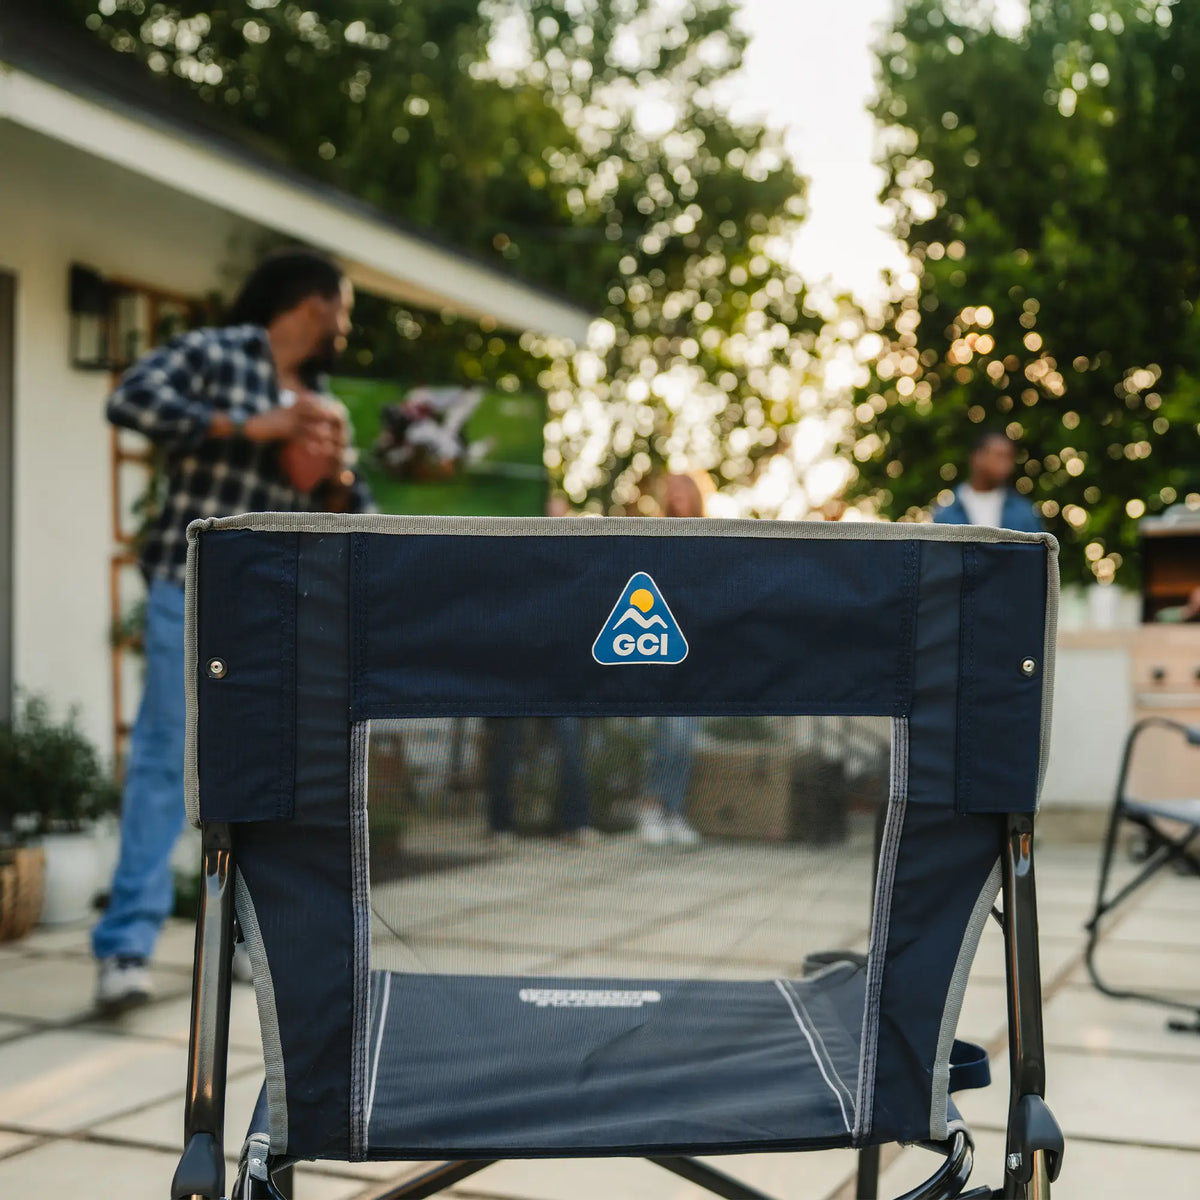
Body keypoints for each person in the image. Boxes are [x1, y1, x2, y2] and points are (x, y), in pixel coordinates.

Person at [93, 249, 374, 1014]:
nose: (345, 323)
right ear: (313, 303)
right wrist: (251, 426)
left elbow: (361, 518)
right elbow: (129, 401)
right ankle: (125, 947)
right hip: (188, 591)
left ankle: (250, 943)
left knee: (267, 769)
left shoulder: (323, 402)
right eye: (342, 305)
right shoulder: (217, 355)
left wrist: (334, 480)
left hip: (275, 610)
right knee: (163, 755)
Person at [638, 473, 706, 848]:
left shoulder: (709, 539)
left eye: (684, 491)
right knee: (669, 735)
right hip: (661, 651)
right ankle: (650, 807)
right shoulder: (657, 539)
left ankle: (674, 812)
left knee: (687, 739)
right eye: (672, 491)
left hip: (695, 654)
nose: (678, 496)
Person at [932, 430, 1042, 532]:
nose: (1006, 464)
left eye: (1009, 457)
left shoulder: (1024, 512)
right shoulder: (946, 511)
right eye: (999, 456)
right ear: (977, 457)